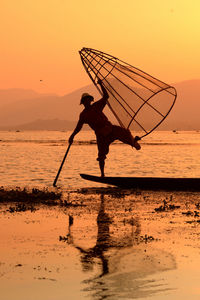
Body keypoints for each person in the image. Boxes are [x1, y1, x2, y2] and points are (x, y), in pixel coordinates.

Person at [69, 79, 141, 177]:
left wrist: (101, 84)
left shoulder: (96, 106)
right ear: (83, 102)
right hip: (101, 134)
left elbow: (106, 96)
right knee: (101, 155)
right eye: (85, 100)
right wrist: (72, 136)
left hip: (110, 129)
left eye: (88, 100)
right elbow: (78, 127)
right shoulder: (83, 115)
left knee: (125, 133)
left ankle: (134, 142)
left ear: (90, 100)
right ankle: (102, 175)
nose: (87, 101)